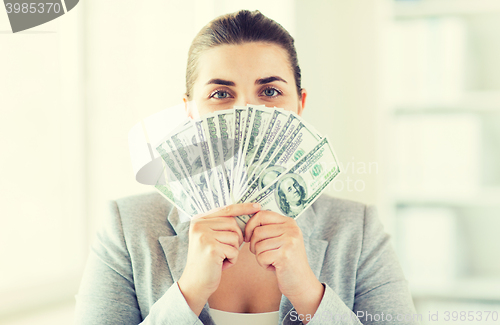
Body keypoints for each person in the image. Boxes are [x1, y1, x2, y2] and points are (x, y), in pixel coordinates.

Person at [74, 10, 419, 325]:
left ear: (299, 105)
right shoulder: (126, 227)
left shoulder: (357, 231)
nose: (247, 114)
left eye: (269, 91)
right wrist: (189, 292)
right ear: (190, 113)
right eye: (221, 94)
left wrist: (310, 296)